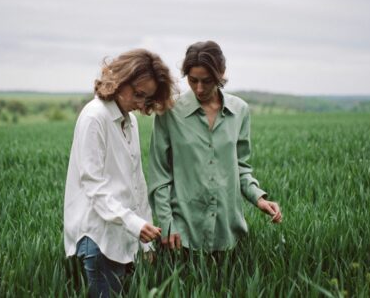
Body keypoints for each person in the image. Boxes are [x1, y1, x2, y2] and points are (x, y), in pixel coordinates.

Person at [148, 40, 282, 253]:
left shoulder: (240, 111)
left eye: (207, 81)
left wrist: (259, 198)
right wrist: (166, 223)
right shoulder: (170, 112)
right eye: (193, 81)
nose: (199, 89)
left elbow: (240, 166)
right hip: (183, 235)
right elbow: (159, 176)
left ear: (221, 74)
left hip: (227, 231)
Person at [64, 49, 176, 297]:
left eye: (146, 98)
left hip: (123, 236)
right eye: (137, 94)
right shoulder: (95, 117)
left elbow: (137, 182)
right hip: (98, 240)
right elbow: (94, 186)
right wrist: (136, 225)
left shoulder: (130, 120)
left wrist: (144, 241)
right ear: (119, 80)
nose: (140, 104)